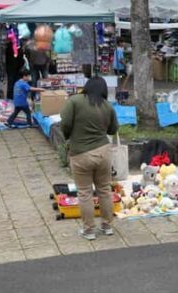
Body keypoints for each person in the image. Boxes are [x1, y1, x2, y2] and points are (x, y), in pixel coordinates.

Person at [60, 76, 119, 241]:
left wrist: (68, 136)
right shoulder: (107, 106)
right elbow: (113, 130)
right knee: (105, 190)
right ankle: (107, 226)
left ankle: (89, 230)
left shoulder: (74, 101)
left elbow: (64, 124)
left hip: (81, 153)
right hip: (103, 152)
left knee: (85, 193)